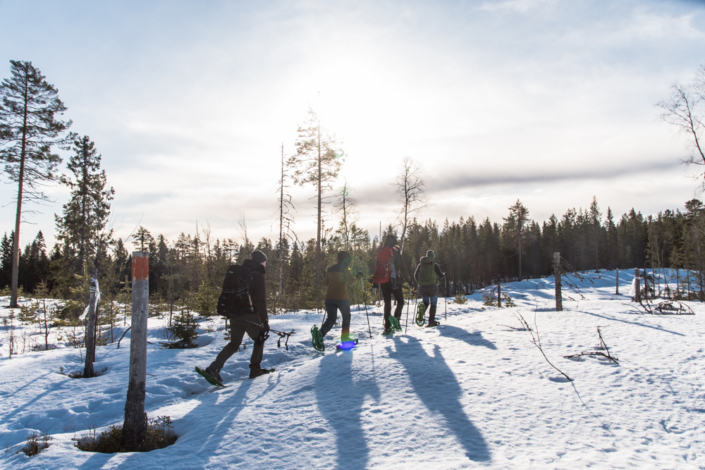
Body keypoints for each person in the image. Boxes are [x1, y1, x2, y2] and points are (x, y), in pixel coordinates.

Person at [206, 250, 272, 381]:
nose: (265, 265)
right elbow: (259, 300)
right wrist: (264, 320)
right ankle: (255, 369)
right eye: (264, 262)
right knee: (259, 338)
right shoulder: (256, 275)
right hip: (248, 313)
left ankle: (214, 368)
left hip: (234, 313)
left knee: (234, 343)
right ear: (260, 262)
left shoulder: (239, 273)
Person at [315, 251, 363, 345]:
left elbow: (325, 283)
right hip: (342, 298)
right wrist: (359, 276)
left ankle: (321, 333)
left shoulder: (330, 268)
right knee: (346, 317)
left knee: (331, 319)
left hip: (329, 297)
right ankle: (345, 340)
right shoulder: (345, 268)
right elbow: (352, 281)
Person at [377, 234, 410, 335]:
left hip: (383, 281)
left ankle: (387, 328)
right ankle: (396, 318)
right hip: (394, 281)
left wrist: (376, 282)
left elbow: (377, 266)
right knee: (400, 301)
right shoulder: (395, 251)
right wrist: (408, 280)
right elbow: (402, 266)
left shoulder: (380, 251)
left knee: (387, 304)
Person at [414, 250, 445, 327]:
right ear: (433, 257)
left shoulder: (420, 264)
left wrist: (419, 283)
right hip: (432, 287)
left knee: (426, 302)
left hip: (422, 287)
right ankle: (431, 321)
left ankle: (421, 313)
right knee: (433, 303)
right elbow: (441, 276)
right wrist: (445, 275)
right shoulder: (435, 265)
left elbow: (415, 275)